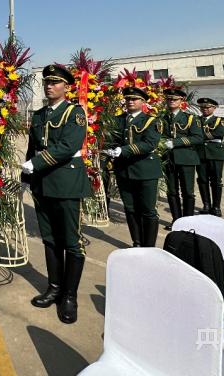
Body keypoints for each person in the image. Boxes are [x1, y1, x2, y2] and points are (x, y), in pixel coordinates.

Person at [21, 64, 89, 324]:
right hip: (43, 184)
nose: (50, 86)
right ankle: (54, 288)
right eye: (47, 82)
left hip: (66, 183)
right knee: (50, 239)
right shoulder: (38, 115)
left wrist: (35, 164)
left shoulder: (75, 113)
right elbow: (32, 147)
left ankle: (69, 297)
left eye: (55, 82)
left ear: (66, 86)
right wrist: (27, 177)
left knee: (71, 241)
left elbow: (68, 146)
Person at [105, 87, 163, 248]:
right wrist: (110, 148)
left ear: (143, 102)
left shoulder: (151, 121)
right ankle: (137, 242)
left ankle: (149, 245)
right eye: (128, 99)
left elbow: (149, 143)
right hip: (124, 170)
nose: (130, 102)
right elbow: (113, 139)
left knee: (148, 209)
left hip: (145, 170)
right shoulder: (118, 120)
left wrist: (122, 150)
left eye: (134, 99)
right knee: (130, 208)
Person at [160, 88, 203, 228]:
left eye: (175, 99)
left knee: (188, 192)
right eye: (169, 99)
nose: (171, 101)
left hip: (186, 159)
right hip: (169, 159)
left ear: (181, 101)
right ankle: (176, 221)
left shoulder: (190, 118)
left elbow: (198, 138)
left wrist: (175, 142)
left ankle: (188, 222)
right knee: (172, 192)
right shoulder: (162, 118)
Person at [196, 97, 224, 216]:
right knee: (202, 180)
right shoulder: (195, 120)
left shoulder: (221, 120)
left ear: (214, 108)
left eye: (207, 107)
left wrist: (198, 136)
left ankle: (216, 207)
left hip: (215, 154)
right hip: (200, 153)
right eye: (202, 107)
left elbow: (219, 134)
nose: (204, 109)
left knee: (216, 181)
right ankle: (206, 205)